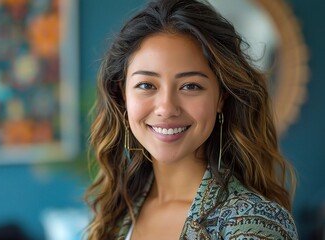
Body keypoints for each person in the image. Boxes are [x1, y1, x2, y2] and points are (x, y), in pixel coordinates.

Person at [84, 0, 298, 239]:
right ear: (122, 94)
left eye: (190, 86)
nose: (166, 108)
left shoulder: (256, 225)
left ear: (221, 98)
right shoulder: (113, 214)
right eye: (146, 85)